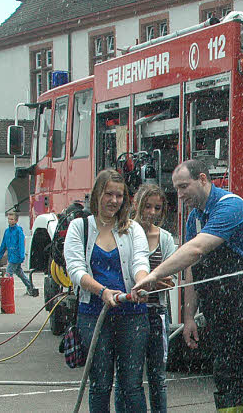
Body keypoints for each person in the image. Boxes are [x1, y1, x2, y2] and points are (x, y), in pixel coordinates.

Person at [133, 159, 243, 413]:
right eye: (176, 189)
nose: (180, 194)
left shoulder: (230, 206)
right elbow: (193, 271)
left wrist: (154, 275)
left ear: (203, 180)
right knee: (228, 379)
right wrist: (188, 318)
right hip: (224, 310)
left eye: (184, 187)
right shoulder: (195, 218)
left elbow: (196, 250)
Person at [65, 169, 152, 413]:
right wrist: (102, 291)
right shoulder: (79, 227)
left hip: (133, 315)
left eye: (120, 195)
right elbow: (76, 269)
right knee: (100, 385)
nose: (114, 200)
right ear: (97, 194)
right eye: (109, 194)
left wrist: (140, 283)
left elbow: (140, 263)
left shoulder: (132, 228)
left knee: (132, 385)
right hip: (93, 315)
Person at [131, 184, 177, 413]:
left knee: (158, 376)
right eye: (147, 206)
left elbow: (170, 281)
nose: (152, 212)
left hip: (156, 313)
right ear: (137, 205)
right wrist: (154, 281)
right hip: (131, 313)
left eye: (157, 208)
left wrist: (144, 282)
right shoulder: (127, 233)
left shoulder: (165, 238)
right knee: (131, 376)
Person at [0, 211, 36, 295]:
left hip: (16, 256)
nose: (9, 221)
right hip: (11, 256)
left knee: (9, 272)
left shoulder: (19, 231)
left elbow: (21, 244)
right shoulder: (7, 231)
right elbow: (4, 243)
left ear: (16, 221)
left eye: (11, 219)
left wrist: (22, 255)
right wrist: (0, 254)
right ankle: (30, 287)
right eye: (8, 219)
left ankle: (5, 291)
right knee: (20, 273)